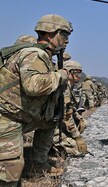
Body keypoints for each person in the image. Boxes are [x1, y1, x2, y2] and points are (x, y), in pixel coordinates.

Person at [0, 14, 73, 186]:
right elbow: (33, 86)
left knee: (49, 122)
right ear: (49, 34)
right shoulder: (34, 54)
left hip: (20, 115)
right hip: (6, 117)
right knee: (11, 171)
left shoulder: (43, 56)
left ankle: (39, 164)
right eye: (64, 35)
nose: (67, 41)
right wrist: (60, 76)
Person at [52, 60, 88, 157]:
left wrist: (78, 118)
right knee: (79, 150)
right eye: (76, 72)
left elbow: (70, 109)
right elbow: (66, 116)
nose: (79, 76)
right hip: (52, 127)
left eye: (80, 73)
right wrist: (77, 137)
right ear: (68, 72)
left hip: (58, 124)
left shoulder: (69, 86)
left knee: (83, 122)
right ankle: (53, 148)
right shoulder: (64, 87)